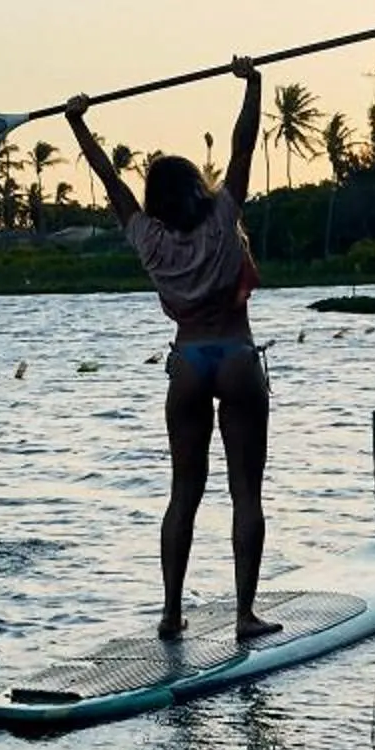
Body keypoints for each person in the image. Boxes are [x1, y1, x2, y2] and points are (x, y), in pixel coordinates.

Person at [65, 59, 277, 644]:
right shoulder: (224, 217)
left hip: (188, 364)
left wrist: (77, 123)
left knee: (183, 493)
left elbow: (109, 179)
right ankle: (244, 616)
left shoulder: (147, 237)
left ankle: (169, 613)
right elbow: (243, 146)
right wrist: (253, 84)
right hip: (235, 357)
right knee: (245, 495)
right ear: (195, 187)